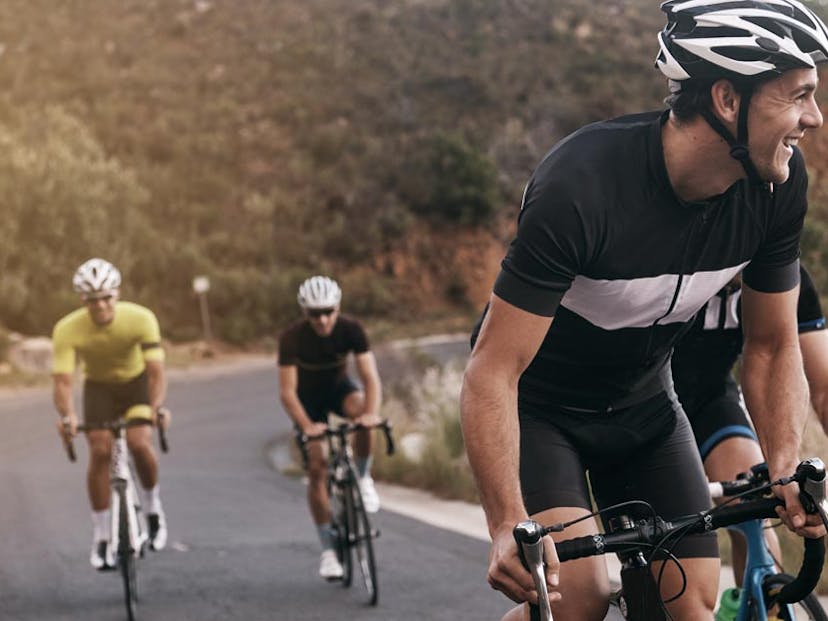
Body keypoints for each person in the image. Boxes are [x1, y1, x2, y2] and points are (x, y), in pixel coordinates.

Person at [460, 1, 828, 619]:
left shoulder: (778, 186)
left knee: (694, 605)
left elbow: (769, 344)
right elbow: (491, 371)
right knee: (578, 596)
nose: (813, 118)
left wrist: (786, 466)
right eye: (797, 96)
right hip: (543, 411)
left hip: (646, 410)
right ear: (727, 101)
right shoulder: (583, 185)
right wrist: (506, 524)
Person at [673, 264, 828, 583]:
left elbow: (824, 389)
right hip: (639, 403)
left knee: (755, 507)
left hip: (710, 400)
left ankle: (755, 601)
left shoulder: (783, 275)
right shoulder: (672, 261)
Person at [53, 258, 171, 570]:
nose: (101, 305)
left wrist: (155, 409)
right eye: (93, 300)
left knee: (139, 442)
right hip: (99, 389)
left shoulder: (141, 318)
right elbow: (63, 382)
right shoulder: (67, 328)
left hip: (136, 385)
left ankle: (152, 509)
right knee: (100, 449)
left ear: (117, 294)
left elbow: (156, 373)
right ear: (83, 300)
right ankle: (103, 536)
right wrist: (68, 416)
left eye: (107, 297)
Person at [277, 275, 383, 581]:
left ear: (337, 308)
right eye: (314, 314)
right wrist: (308, 426)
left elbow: (370, 377)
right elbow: (286, 391)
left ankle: (362, 478)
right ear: (303, 312)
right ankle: (327, 552)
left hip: (340, 391)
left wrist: (371, 415)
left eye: (327, 311)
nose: (322, 319)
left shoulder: (351, 329)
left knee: (363, 415)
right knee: (317, 466)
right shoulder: (291, 338)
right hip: (308, 403)